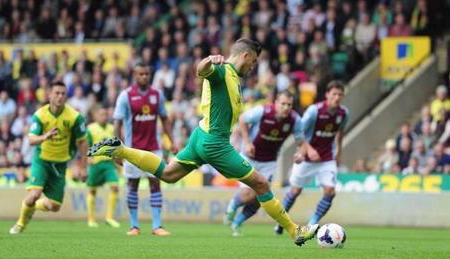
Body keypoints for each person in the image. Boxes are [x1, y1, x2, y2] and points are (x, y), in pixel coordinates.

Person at [88, 38, 319, 246]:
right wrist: (209, 60)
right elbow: (201, 70)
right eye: (254, 61)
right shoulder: (222, 71)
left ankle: (121, 149)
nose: (253, 66)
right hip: (214, 143)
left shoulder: (233, 77)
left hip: (201, 134)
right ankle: (294, 230)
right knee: (261, 184)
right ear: (246, 55)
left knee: (168, 174)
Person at [224, 91, 315, 236]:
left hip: (269, 162)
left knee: (261, 199)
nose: (286, 107)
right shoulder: (263, 111)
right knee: (249, 193)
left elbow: (301, 141)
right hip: (249, 158)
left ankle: (237, 222)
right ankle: (232, 206)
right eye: (283, 104)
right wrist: (247, 143)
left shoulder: (295, 120)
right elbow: (242, 119)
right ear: (276, 103)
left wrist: (300, 153)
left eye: (289, 105)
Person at [9, 81, 88, 234]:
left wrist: (83, 167)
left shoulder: (75, 117)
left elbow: (82, 142)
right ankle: (20, 224)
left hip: (60, 164)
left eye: (63, 93)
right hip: (42, 161)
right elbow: (31, 140)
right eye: (57, 93)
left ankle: (32, 208)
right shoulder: (40, 115)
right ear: (49, 95)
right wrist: (45, 136)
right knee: (34, 194)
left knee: (54, 207)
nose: (60, 96)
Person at [275, 80, 349, 235]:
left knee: (330, 191)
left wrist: (339, 153)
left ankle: (312, 224)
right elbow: (299, 131)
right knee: (295, 191)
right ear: (327, 94)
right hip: (306, 158)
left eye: (340, 95)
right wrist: (308, 150)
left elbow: (340, 133)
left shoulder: (344, 113)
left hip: (327, 158)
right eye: (334, 94)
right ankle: (281, 222)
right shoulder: (314, 111)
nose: (336, 97)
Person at [113, 62, 174, 236]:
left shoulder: (157, 95)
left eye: (147, 74)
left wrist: (172, 141)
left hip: (154, 149)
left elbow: (165, 118)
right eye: (141, 74)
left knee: (156, 184)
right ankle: (134, 226)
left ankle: (157, 226)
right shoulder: (126, 96)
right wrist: (116, 148)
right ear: (134, 75)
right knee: (132, 185)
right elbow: (117, 122)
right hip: (132, 150)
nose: (144, 77)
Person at [85, 105, 120, 228]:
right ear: (95, 116)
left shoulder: (111, 128)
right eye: (101, 114)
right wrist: (87, 158)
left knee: (115, 187)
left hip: (109, 164)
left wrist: (118, 160)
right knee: (92, 190)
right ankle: (91, 219)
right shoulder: (90, 129)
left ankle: (109, 217)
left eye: (106, 114)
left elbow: (115, 146)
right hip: (95, 164)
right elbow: (85, 144)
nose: (104, 116)